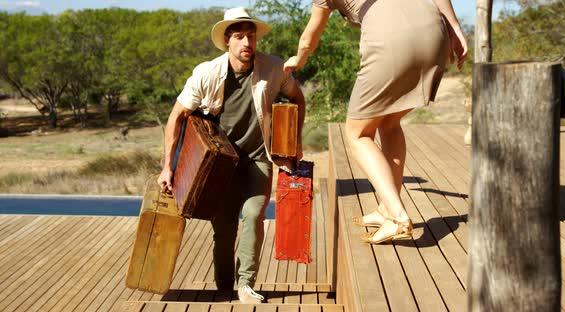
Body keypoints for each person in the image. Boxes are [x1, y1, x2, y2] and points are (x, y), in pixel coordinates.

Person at [283, 0, 468, 244]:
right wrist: (454, 27)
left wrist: (298, 59)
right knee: (389, 122)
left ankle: (398, 216)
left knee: (357, 134)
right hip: (434, 34)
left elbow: (309, 38)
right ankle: (386, 208)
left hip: (392, 41)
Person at [157, 7, 305, 303]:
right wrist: (167, 168)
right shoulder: (206, 73)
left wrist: (293, 145)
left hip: (258, 158)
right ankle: (225, 287)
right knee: (224, 228)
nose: (247, 43)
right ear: (227, 41)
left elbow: (296, 98)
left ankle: (246, 284)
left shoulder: (273, 67)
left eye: (251, 36)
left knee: (253, 215)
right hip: (220, 164)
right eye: (239, 37)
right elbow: (177, 117)